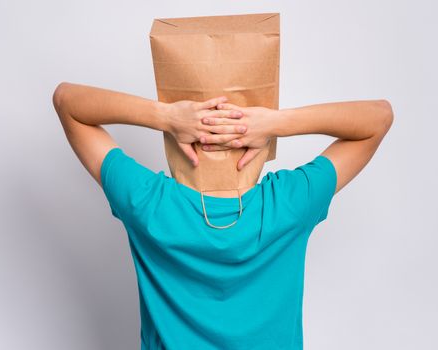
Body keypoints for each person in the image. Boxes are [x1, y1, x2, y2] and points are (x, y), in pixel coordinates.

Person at [52, 81, 393, 350]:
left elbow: (67, 100)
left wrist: (167, 117)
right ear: (256, 145)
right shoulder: (289, 203)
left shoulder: (150, 204)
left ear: (185, 143)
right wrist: (275, 122)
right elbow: (379, 117)